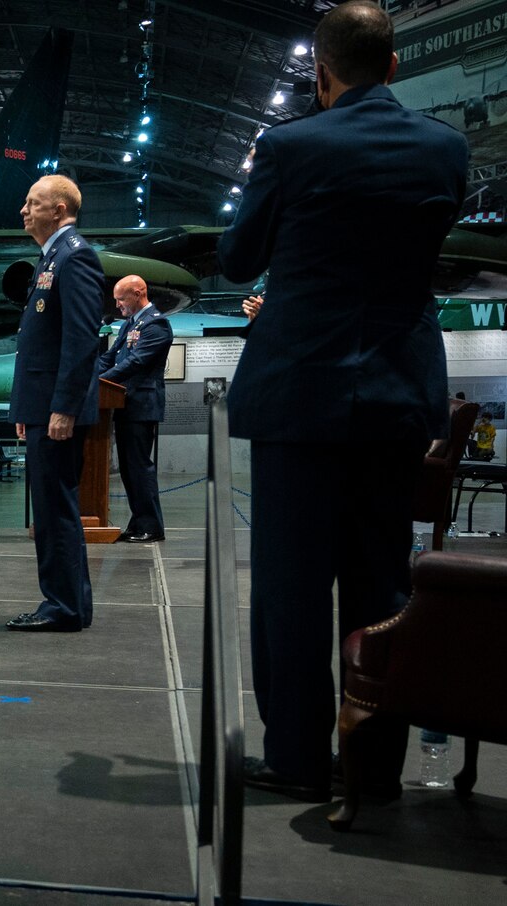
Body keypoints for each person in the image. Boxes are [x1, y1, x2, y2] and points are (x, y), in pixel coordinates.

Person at [220, 0, 468, 803]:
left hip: (299, 396)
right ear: (394, 65)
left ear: (321, 75)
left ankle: (295, 758)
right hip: (397, 394)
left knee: (291, 588)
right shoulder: (445, 149)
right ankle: (373, 766)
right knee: (383, 584)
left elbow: (238, 258)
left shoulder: (287, 148)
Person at [5, 174, 102, 633]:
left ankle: (62, 607)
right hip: (42, 410)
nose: (24, 210)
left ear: (59, 209)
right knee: (50, 509)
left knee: (55, 510)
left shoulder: (75, 257)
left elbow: (81, 341)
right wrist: (29, 411)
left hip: (56, 413)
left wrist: (61, 408)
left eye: (32, 202)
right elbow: (39, 344)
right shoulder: (53, 258)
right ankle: (68, 605)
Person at [96, 275, 173, 543]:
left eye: (121, 298)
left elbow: (136, 362)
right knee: (130, 469)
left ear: (139, 293)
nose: (117, 305)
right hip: (125, 403)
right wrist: (86, 373)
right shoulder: (131, 323)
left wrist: (101, 381)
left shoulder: (156, 324)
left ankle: (151, 526)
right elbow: (111, 356)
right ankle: (139, 522)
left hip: (141, 405)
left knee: (139, 467)